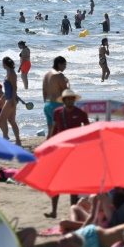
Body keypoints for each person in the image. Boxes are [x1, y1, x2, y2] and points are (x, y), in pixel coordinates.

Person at [45, 89, 90, 218]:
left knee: (73, 184)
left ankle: (73, 211)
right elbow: (54, 129)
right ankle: (53, 211)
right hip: (60, 151)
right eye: (68, 99)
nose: (70, 101)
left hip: (75, 152)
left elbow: (88, 130)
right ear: (64, 100)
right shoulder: (57, 112)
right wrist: (49, 145)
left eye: (72, 99)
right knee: (55, 181)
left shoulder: (81, 113)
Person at [43, 56, 70, 138]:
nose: (65, 67)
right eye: (64, 64)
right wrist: (67, 82)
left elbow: (44, 91)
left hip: (47, 105)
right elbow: (66, 91)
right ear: (59, 64)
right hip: (56, 105)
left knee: (50, 131)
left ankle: (47, 149)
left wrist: (45, 102)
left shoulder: (47, 74)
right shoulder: (59, 75)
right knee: (58, 131)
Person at [0, 57, 22, 145]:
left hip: (11, 99)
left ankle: (5, 139)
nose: (2, 65)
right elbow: (8, 88)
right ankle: (18, 141)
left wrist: (11, 99)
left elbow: (15, 87)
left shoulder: (12, 73)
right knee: (11, 120)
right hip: (9, 98)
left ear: (5, 64)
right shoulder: (8, 72)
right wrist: (2, 97)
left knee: (1, 119)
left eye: (2, 63)